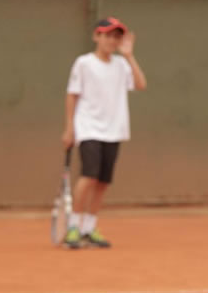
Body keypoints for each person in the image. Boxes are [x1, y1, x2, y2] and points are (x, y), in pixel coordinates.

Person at [60, 17, 147, 249]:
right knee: (88, 176)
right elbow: (72, 95)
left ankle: (89, 228)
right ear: (96, 36)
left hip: (115, 130)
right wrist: (69, 128)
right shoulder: (84, 63)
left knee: (102, 182)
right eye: (107, 35)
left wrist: (129, 56)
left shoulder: (121, 65)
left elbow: (140, 84)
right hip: (88, 128)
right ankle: (73, 227)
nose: (112, 40)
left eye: (116, 37)